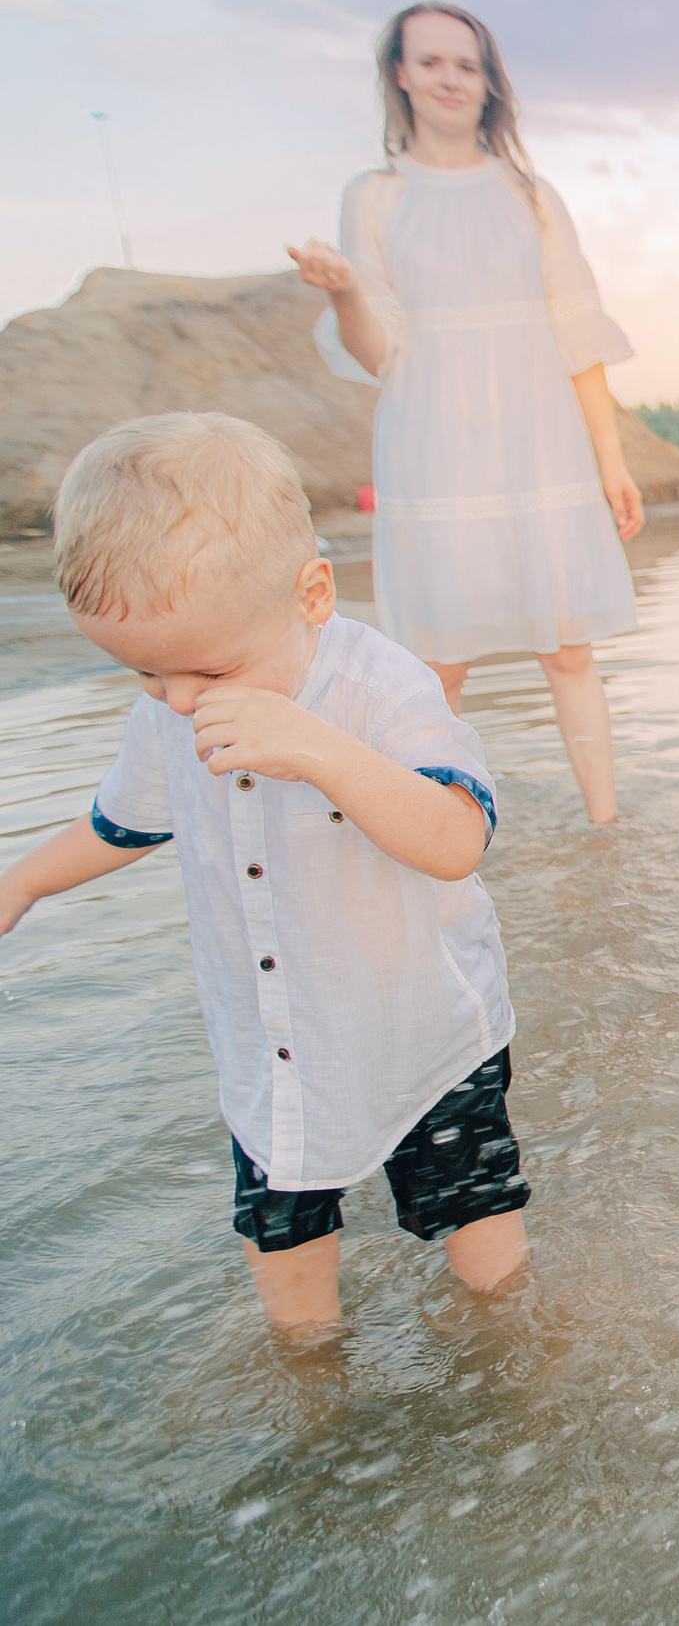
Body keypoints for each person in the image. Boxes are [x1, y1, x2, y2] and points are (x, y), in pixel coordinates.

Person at [0, 413, 528, 1332]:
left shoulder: (381, 686)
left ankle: (517, 1387)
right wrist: (24, 881)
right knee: (285, 1264)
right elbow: (123, 824)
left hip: (427, 1038)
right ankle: (313, 1405)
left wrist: (318, 748)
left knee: (484, 1254)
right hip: (275, 1048)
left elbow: (456, 840)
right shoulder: (172, 702)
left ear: (312, 593)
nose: (176, 700)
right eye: (143, 675)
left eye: (206, 670)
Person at [286, 0, 642, 825]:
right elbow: (377, 351)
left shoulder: (531, 192)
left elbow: (577, 330)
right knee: (437, 665)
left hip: (539, 440)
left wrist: (611, 461)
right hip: (431, 445)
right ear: (400, 75)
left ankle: (607, 833)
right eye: (433, 62)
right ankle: (438, 836)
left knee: (568, 647)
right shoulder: (373, 196)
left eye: (468, 64)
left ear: (490, 84)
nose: (451, 78)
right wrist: (344, 292)